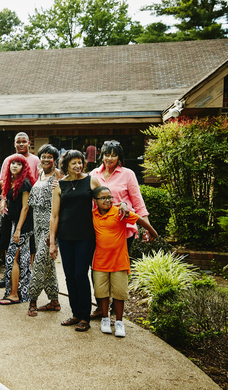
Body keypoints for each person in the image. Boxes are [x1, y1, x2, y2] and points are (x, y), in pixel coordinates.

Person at [88, 139, 152, 319]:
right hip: (99, 230)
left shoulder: (128, 174)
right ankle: (101, 307)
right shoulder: (93, 174)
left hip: (123, 230)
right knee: (98, 269)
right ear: (101, 155)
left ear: (119, 157)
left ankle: (116, 309)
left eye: (114, 155)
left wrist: (147, 227)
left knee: (118, 271)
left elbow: (138, 202)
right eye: (107, 154)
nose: (109, 158)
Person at [91, 186, 158, 337]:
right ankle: (105, 319)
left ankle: (120, 322)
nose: (108, 200)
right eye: (103, 198)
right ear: (95, 201)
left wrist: (153, 232)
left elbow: (139, 219)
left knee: (119, 293)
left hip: (119, 261)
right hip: (100, 262)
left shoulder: (120, 212)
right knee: (102, 293)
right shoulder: (93, 215)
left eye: (110, 197)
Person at [49, 149, 103, 332]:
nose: (78, 166)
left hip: (85, 237)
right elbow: (54, 216)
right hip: (65, 237)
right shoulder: (59, 185)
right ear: (66, 166)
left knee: (81, 275)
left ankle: (85, 317)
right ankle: (75, 314)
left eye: (80, 162)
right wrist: (52, 242)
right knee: (70, 276)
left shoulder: (91, 180)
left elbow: (106, 199)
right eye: (74, 163)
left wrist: (123, 205)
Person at [0, 132, 40, 289]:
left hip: (26, 206)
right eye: (18, 142)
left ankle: (29, 277)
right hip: (11, 207)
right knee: (9, 242)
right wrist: (3, 200)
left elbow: (37, 181)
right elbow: (3, 182)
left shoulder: (35, 160)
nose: (21, 144)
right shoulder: (9, 160)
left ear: (29, 143)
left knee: (28, 246)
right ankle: (9, 273)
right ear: (14, 144)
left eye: (24, 142)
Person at [27, 144, 64, 316]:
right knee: (48, 264)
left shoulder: (59, 175)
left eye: (50, 156)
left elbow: (60, 203)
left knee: (40, 262)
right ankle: (54, 300)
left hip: (49, 225)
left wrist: (53, 233)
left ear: (55, 159)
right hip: (37, 223)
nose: (46, 159)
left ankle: (32, 299)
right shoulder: (41, 173)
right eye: (43, 156)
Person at [0, 154, 35, 305]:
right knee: (23, 260)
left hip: (22, 226)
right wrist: (4, 202)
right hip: (14, 222)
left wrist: (18, 230)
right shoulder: (11, 181)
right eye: (13, 163)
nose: (14, 166)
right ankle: (24, 293)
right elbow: (10, 199)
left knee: (11, 258)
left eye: (19, 164)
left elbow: (26, 208)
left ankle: (13, 294)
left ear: (24, 167)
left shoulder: (25, 183)